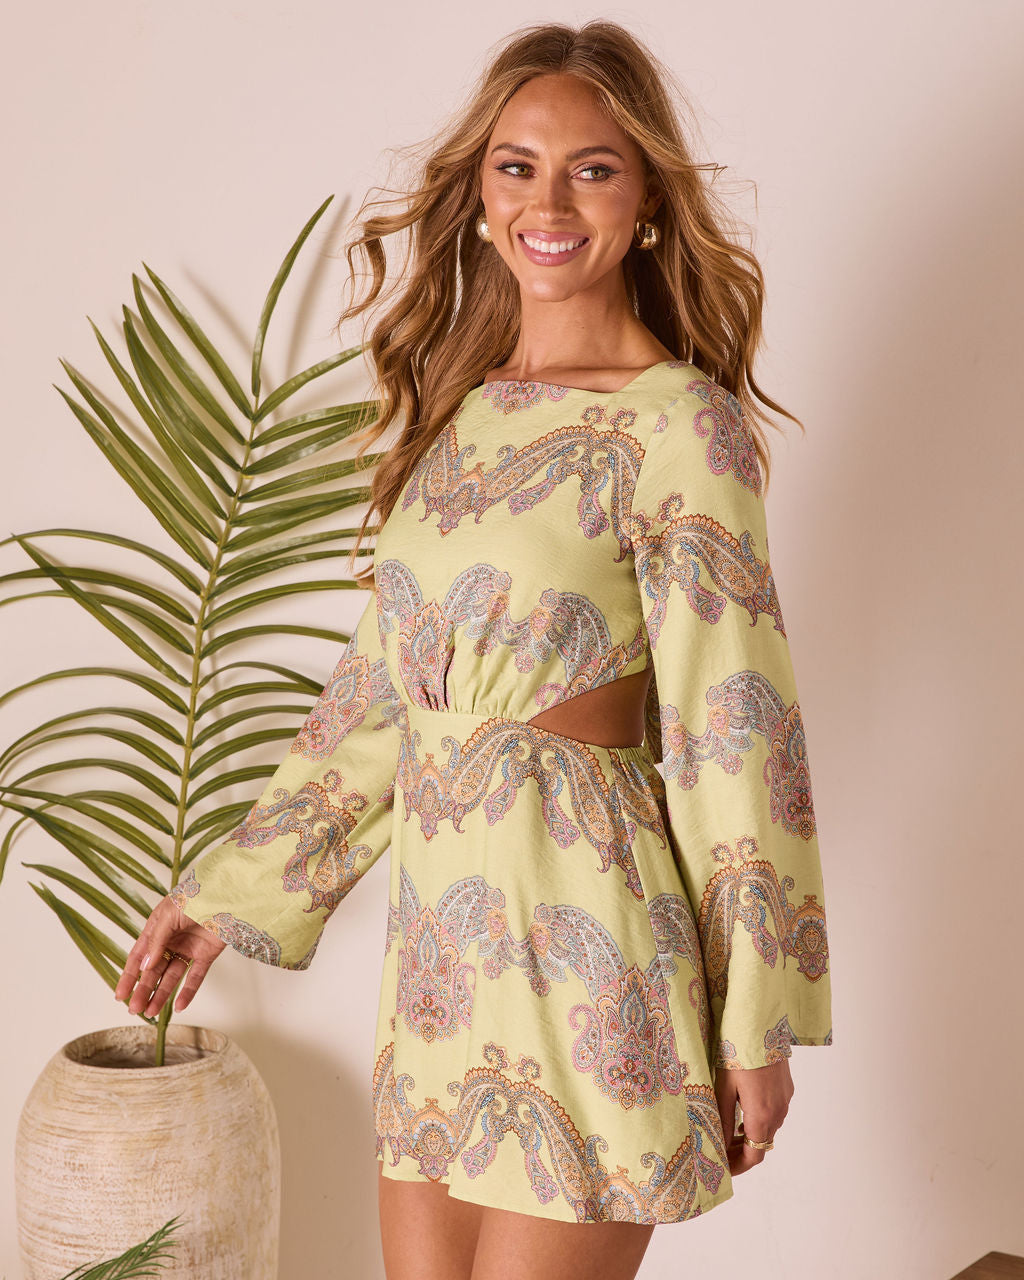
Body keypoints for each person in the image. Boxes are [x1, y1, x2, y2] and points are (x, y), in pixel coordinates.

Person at [115, 20, 832, 1280]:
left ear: (646, 202)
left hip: (590, 944)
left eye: (592, 169)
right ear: (482, 195)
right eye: (517, 167)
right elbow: (379, 700)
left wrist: (754, 1021)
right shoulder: (460, 409)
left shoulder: (681, 427)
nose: (548, 203)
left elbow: (735, 726)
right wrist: (224, 896)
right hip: (443, 970)